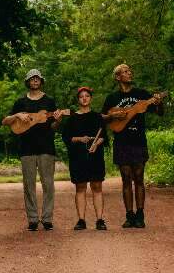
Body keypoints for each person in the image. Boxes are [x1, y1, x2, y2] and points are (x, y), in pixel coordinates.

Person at [102, 64, 163, 228]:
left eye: (130, 71)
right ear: (117, 77)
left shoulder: (141, 94)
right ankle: (129, 216)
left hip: (138, 141)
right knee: (126, 179)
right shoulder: (112, 98)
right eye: (125, 72)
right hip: (122, 142)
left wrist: (158, 102)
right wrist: (114, 114)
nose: (129, 73)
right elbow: (102, 118)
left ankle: (140, 215)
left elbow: (159, 112)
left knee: (139, 177)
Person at [2, 69, 62, 231]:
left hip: (46, 147)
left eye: (37, 79)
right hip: (26, 148)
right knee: (29, 185)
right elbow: (5, 121)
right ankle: (33, 219)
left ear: (41, 81)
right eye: (32, 79)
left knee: (48, 184)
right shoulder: (20, 102)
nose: (35, 81)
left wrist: (58, 119)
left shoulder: (49, 101)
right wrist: (17, 116)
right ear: (28, 82)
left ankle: (47, 218)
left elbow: (54, 126)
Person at [62, 87, 108, 230]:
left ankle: (100, 220)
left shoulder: (98, 117)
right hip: (78, 158)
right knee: (80, 188)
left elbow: (104, 137)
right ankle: (81, 220)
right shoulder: (71, 119)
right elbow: (67, 138)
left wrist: (96, 143)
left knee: (97, 187)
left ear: (91, 98)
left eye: (87, 96)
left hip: (95, 157)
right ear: (78, 99)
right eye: (81, 96)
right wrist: (80, 139)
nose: (84, 98)